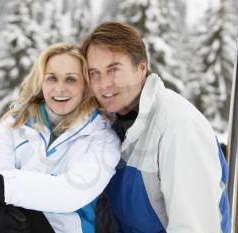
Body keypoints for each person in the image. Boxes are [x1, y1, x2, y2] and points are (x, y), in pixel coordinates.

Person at [81, 21, 230, 233]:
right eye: (94, 73)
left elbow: (193, 227)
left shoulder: (177, 125)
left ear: (141, 69)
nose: (103, 84)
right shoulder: (113, 125)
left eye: (113, 69)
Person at [0, 42, 121, 233]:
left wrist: (2, 187)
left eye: (71, 79)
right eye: (52, 78)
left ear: (85, 85)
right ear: (41, 81)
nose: (60, 89)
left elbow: (71, 192)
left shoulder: (103, 137)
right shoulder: (15, 125)